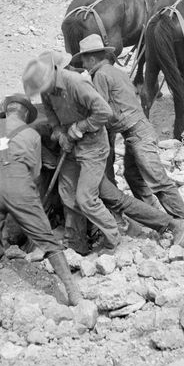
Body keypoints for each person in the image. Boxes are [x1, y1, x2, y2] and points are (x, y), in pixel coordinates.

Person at [72, 34, 184, 246]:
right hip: (137, 131)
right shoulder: (116, 72)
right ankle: (159, 220)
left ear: (91, 58)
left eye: (84, 60)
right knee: (134, 177)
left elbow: (102, 111)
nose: (83, 64)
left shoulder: (100, 76)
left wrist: (82, 127)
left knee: (157, 179)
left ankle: (183, 222)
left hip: (136, 132)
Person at [0, 93, 81, 310]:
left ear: (6, 110)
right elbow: (35, 172)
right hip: (19, 184)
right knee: (45, 237)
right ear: (25, 114)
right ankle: (72, 292)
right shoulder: (31, 134)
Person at [22, 50, 120, 254]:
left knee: (86, 198)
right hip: (71, 147)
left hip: (94, 146)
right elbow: (51, 116)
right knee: (67, 194)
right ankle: (76, 243)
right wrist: (60, 134)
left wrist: (78, 129)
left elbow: (104, 112)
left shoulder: (76, 83)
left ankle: (113, 238)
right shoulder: (46, 91)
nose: (43, 91)